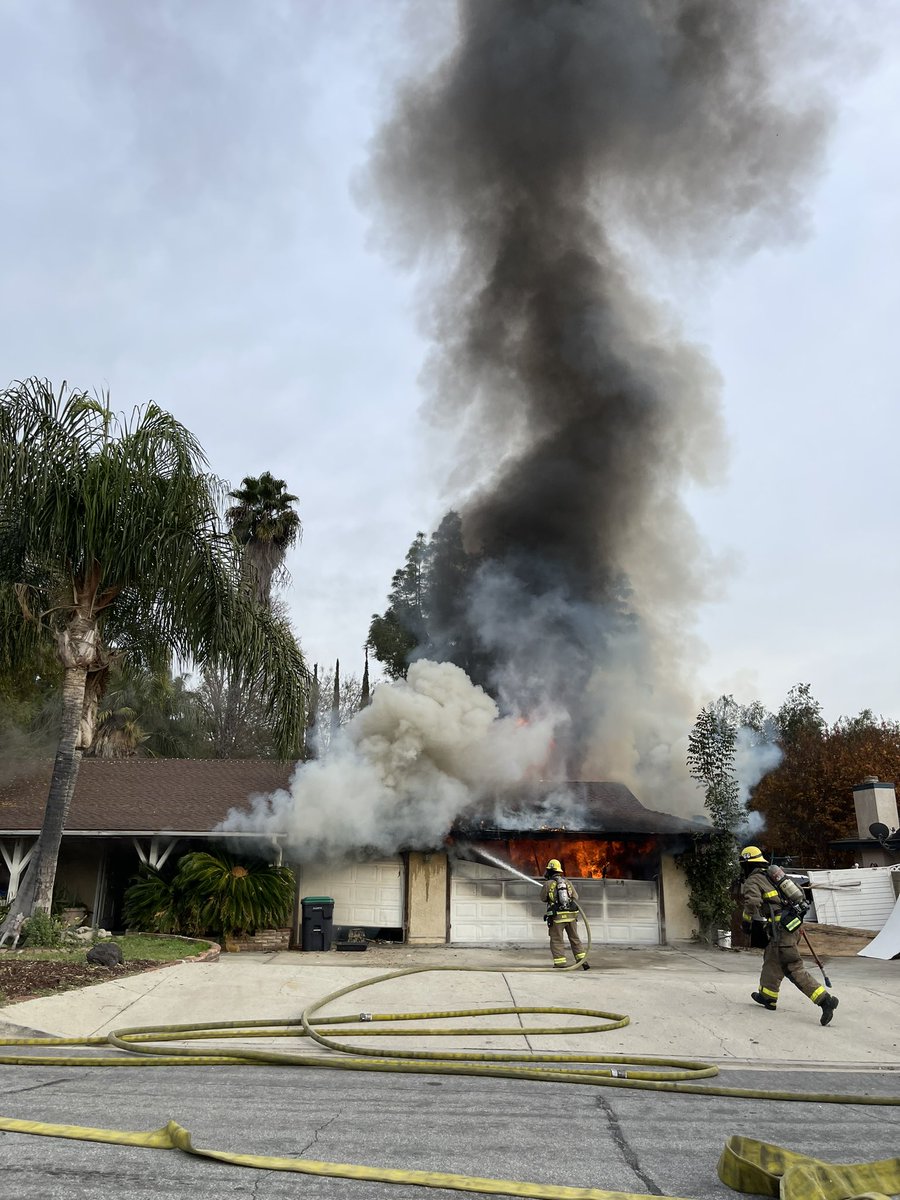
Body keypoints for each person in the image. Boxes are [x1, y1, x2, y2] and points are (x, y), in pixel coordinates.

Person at [739, 845, 838, 1025]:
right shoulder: (773, 876)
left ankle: (825, 1000)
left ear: (747, 864)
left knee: (793, 968)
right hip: (791, 927)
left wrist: (746, 921)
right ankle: (767, 997)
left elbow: (752, 902)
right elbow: (799, 893)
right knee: (772, 960)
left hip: (781, 931)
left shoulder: (753, 880)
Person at [540, 858, 589, 969]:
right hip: (571, 916)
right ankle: (582, 961)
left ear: (550, 871)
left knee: (557, 940)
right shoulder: (567, 882)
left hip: (557, 917)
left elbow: (543, 898)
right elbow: (575, 897)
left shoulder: (548, 884)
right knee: (575, 939)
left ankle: (560, 963)